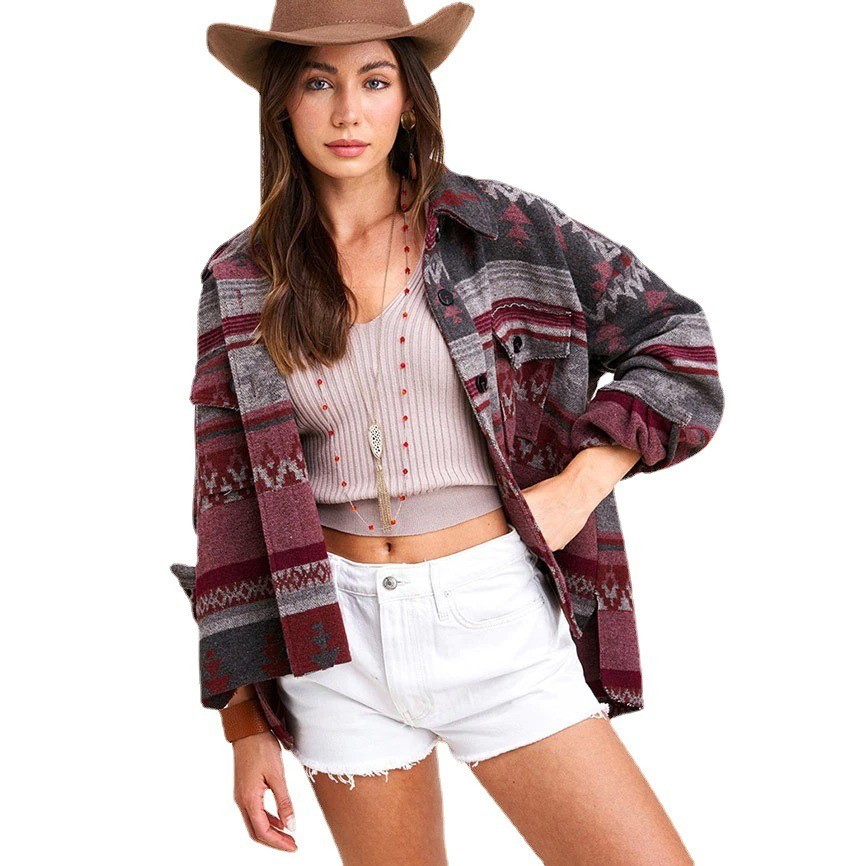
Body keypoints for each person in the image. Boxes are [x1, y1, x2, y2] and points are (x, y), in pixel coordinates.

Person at [172, 2, 724, 862]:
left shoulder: (502, 230)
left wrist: (583, 482)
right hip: (331, 642)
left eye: (374, 81)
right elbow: (225, 504)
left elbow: (677, 338)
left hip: (492, 616)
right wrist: (243, 722)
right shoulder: (243, 276)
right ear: (283, 103)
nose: (348, 112)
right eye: (318, 83)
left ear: (408, 99)